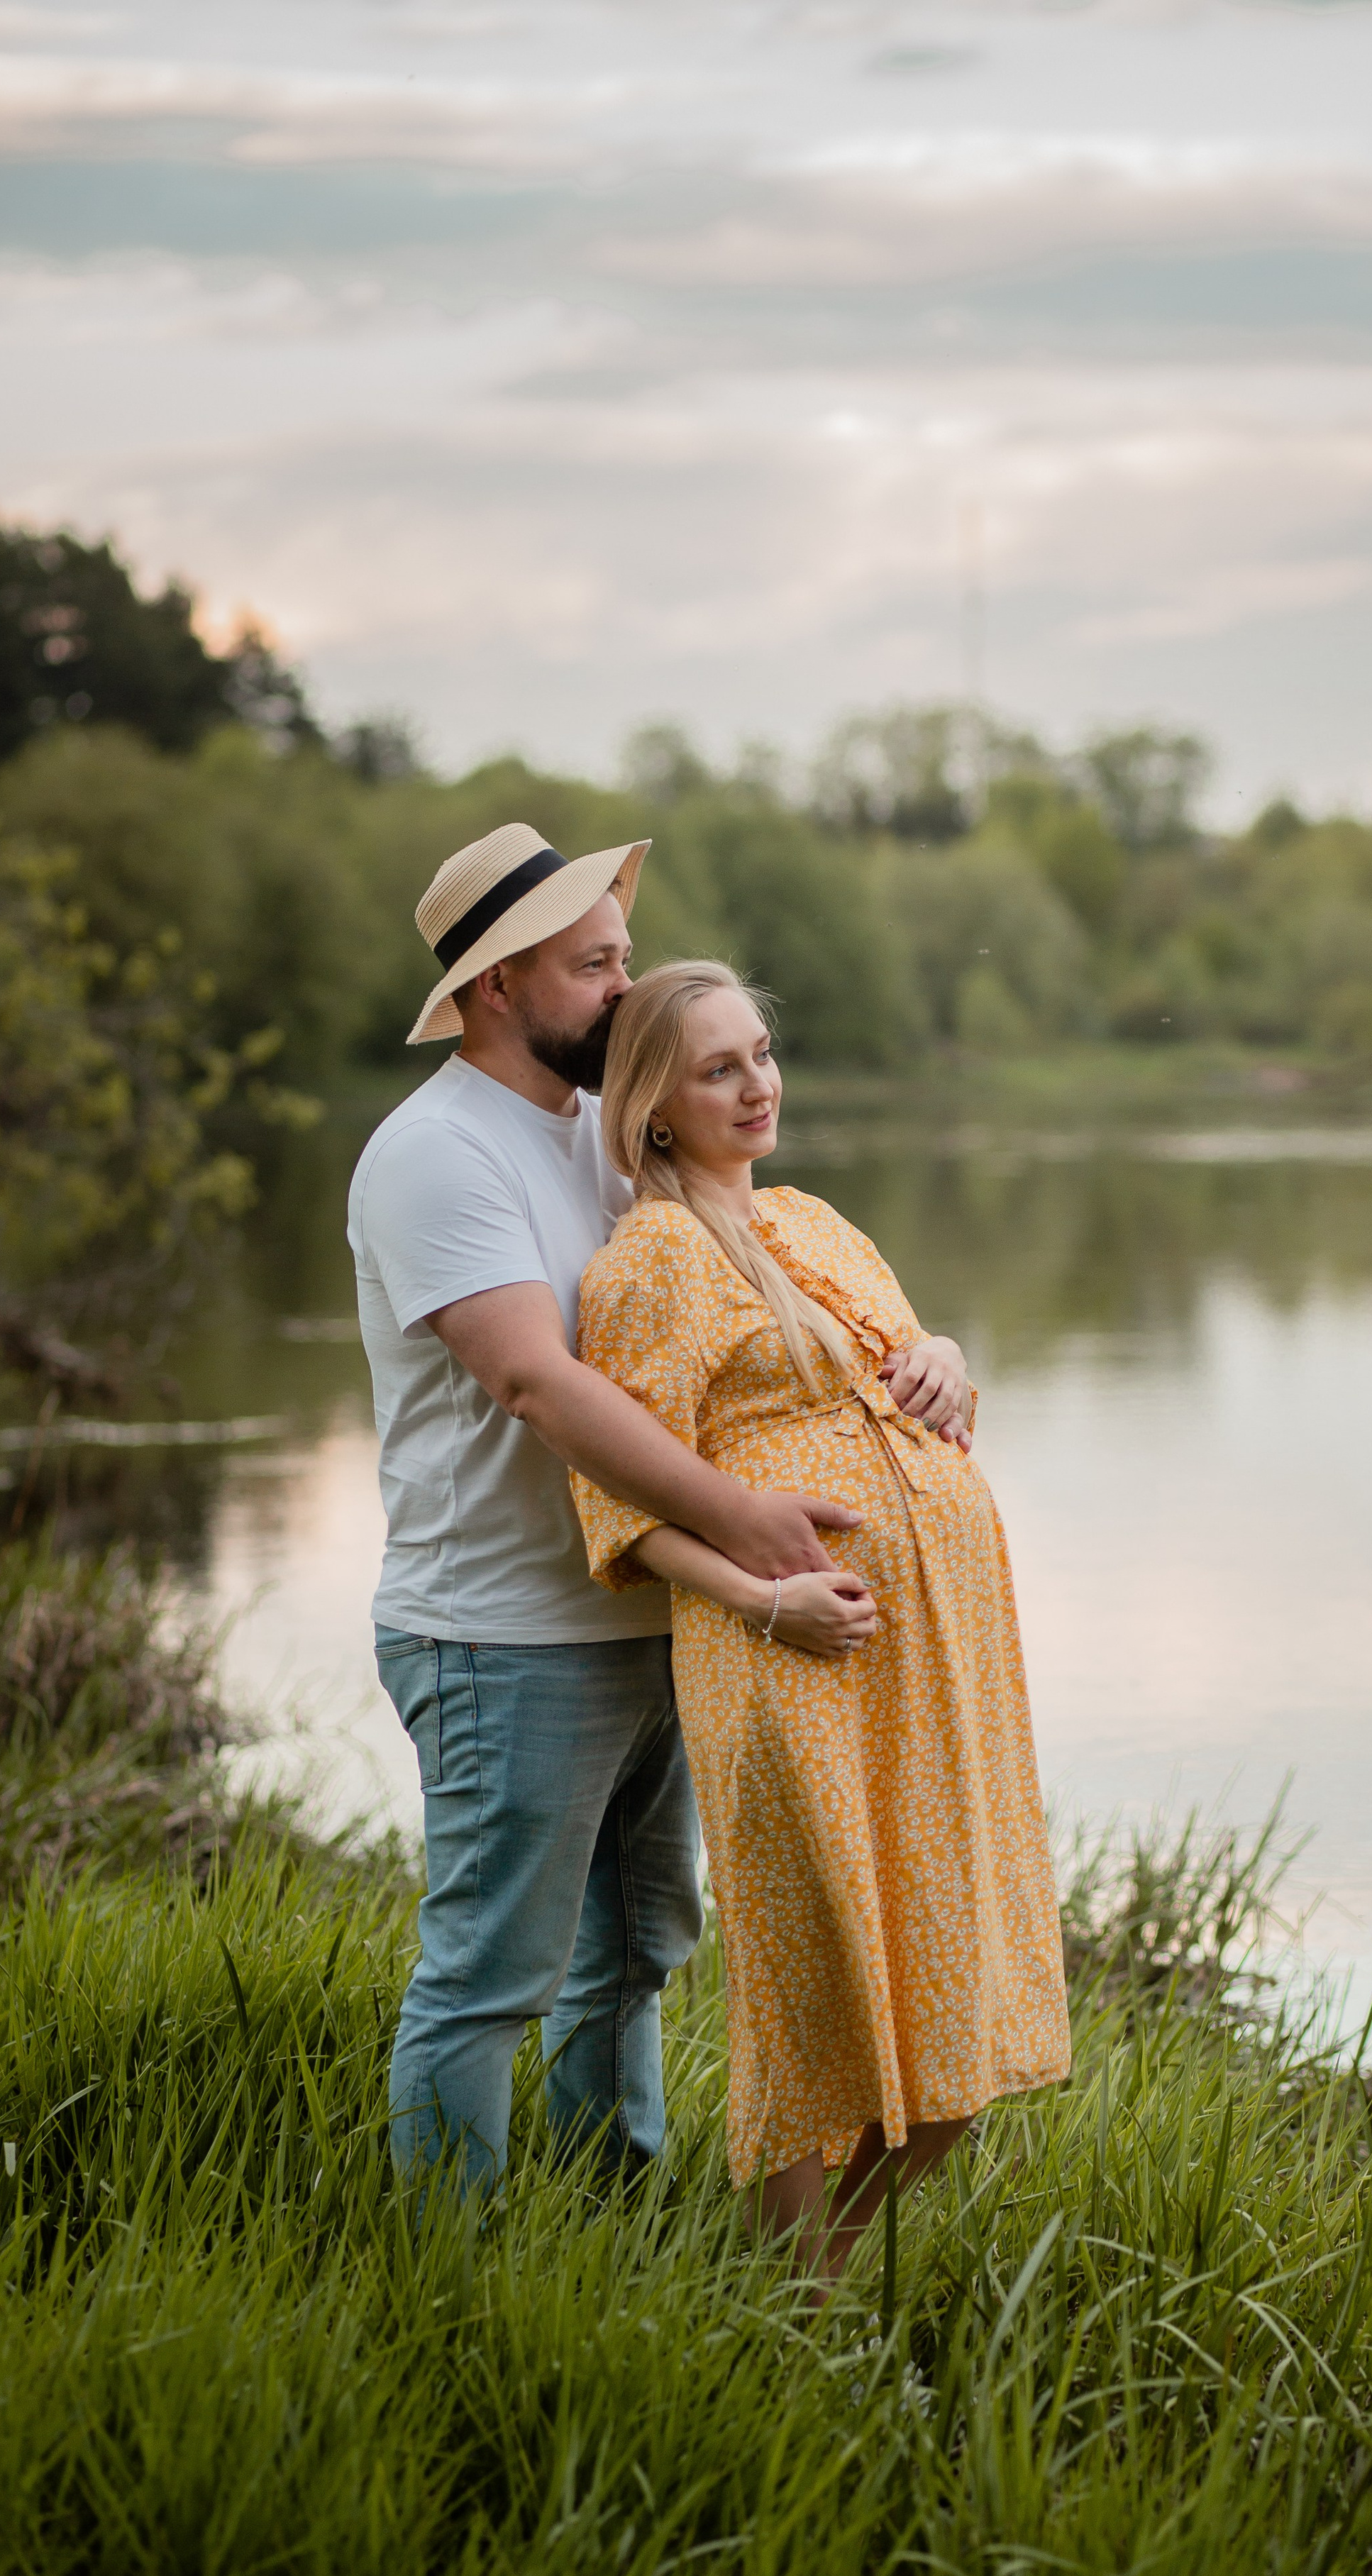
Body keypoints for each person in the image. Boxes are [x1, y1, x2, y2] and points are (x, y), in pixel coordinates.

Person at [349, 823, 969, 2194]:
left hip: (664, 1613)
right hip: (505, 1628)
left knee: (635, 1954)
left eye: (624, 956)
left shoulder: (608, 1138)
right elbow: (535, 1381)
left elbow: (763, 1315)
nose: (625, 987)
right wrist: (743, 1521)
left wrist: (932, 1353)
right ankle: (445, 2275)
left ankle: (608, 2215)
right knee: (491, 1976)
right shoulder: (438, 1153)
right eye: (593, 966)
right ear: (498, 984)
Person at [568, 959, 1071, 2287]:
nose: (758, 1086)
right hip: (787, 1656)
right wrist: (765, 1598)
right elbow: (616, 1507)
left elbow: (908, 1369)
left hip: (935, 1668)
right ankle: (794, 2301)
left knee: (959, 1989)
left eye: (763, 1055)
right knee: (816, 1983)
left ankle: (807, 2278)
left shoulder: (817, 1222)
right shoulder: (647, 1264)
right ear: (653, 1106)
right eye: (718, 1069)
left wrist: (947, 1356)